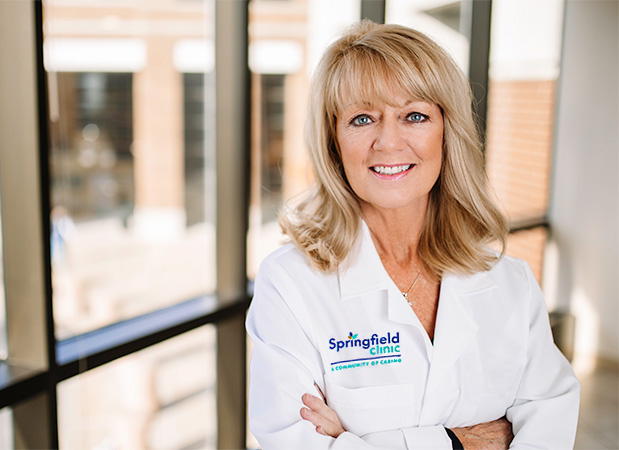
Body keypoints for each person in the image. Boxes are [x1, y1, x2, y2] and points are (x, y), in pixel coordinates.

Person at [246, 21, 579, 449]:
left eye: (414, 115)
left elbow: (551, 414)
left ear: (446, 131)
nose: (388, 141)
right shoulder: (291, 284)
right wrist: (462, 442)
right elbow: (292, 441)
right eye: (362, 118)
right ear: (334, 142)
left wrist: (357, 440)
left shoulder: (509, 282)